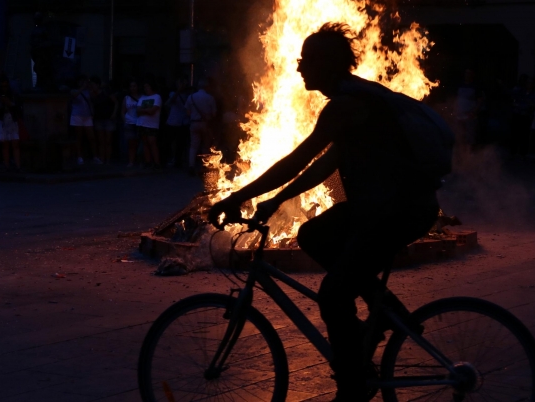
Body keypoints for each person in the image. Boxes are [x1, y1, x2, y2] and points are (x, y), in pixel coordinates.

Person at [208, 23, 441, 401]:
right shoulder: (356, 101)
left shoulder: (347, 106)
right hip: (384, 207)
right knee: (313, 235)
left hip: (399, 211)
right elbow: (319, 167)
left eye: (306, 61)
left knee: (333, 294)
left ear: (328, 64)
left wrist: (237, 197)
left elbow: (296, 160)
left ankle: (354, 385)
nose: (299, 68)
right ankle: (387, 312)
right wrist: (275, 200)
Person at [185, 77, 217, 172]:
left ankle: (191, 165)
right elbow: (214, 114)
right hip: (205, 124)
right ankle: (204, 165)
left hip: (194, 123)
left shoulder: (191, 97)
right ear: (207, 87)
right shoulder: (210, 98)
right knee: (205, 145)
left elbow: (187, 112)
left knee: (193, 146)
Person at [0, 76, 22, 172]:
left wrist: (9, 103)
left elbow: (17, 106)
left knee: (15, 144)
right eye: (2, 86)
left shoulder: (13, 94)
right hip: (2, 120)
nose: (4, 88)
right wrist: (0, 103)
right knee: (5, 144)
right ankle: (7, 165)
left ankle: (18, 165)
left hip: (11, 119)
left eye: (6, 86)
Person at [70, 75, 102, 165]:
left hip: (87, 116)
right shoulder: (74, 90)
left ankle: (95, 156)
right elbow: (74, 95)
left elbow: (93, 98)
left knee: (91, 137)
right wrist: (82, 88)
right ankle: (79, 157)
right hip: (77, 116)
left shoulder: (88, 92)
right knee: (78, 137)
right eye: (82, 81)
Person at [90, 76, 118, 164]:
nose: (92, 86)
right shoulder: (92, 95)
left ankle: (108, 159)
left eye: (93, 85)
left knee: (108, 140)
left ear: (98, 85)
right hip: (98, 118)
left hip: (108, 118)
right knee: (101, 141)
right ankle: (102, 158)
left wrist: (114, 113)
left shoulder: (106, 92)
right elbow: (92, 106)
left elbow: (116, 102)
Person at [165, 76, 192, 168]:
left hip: (184, 122)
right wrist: (178, 91)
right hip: (173, 121)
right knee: (172, 142)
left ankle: (180, 160)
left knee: (182, 142)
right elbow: (169, 102)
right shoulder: (173, 93)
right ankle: (173, 158)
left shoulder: (188, 95)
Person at [454, 69, 483, 148]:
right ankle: (460, 153)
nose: (467, 75)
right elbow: (456, 99)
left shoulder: (476, 87)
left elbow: (480, 101)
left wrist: (474, 112)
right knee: (460, 135)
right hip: (460, 114)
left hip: (470, 115)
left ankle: (470, 154)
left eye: (469, 73)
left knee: (470, 136)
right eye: (466, 73)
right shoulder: (460, 85)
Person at [137, 79, 162, 168]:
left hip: (152, 124)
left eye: (147, 86)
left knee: (152, 142)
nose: (146, 88)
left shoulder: (157, 97)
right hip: (142, 123)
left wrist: (144, 111)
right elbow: (138, 110)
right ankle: (148, 161)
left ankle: (156, 162)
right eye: (144, 87)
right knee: (145, 143)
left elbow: (152, 111)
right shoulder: (142, 97)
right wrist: (147, 110)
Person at [121, 79, 141, 167]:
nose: (133, 88)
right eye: (131, 86)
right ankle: (131, 161)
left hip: (140, 122)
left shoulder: (142, 97)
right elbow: (123, 111)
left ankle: (140, 160)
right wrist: (125, 120)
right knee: (131, 143)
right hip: (129, 122)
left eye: (134, 86)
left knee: (140, 143)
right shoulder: (126, 98)